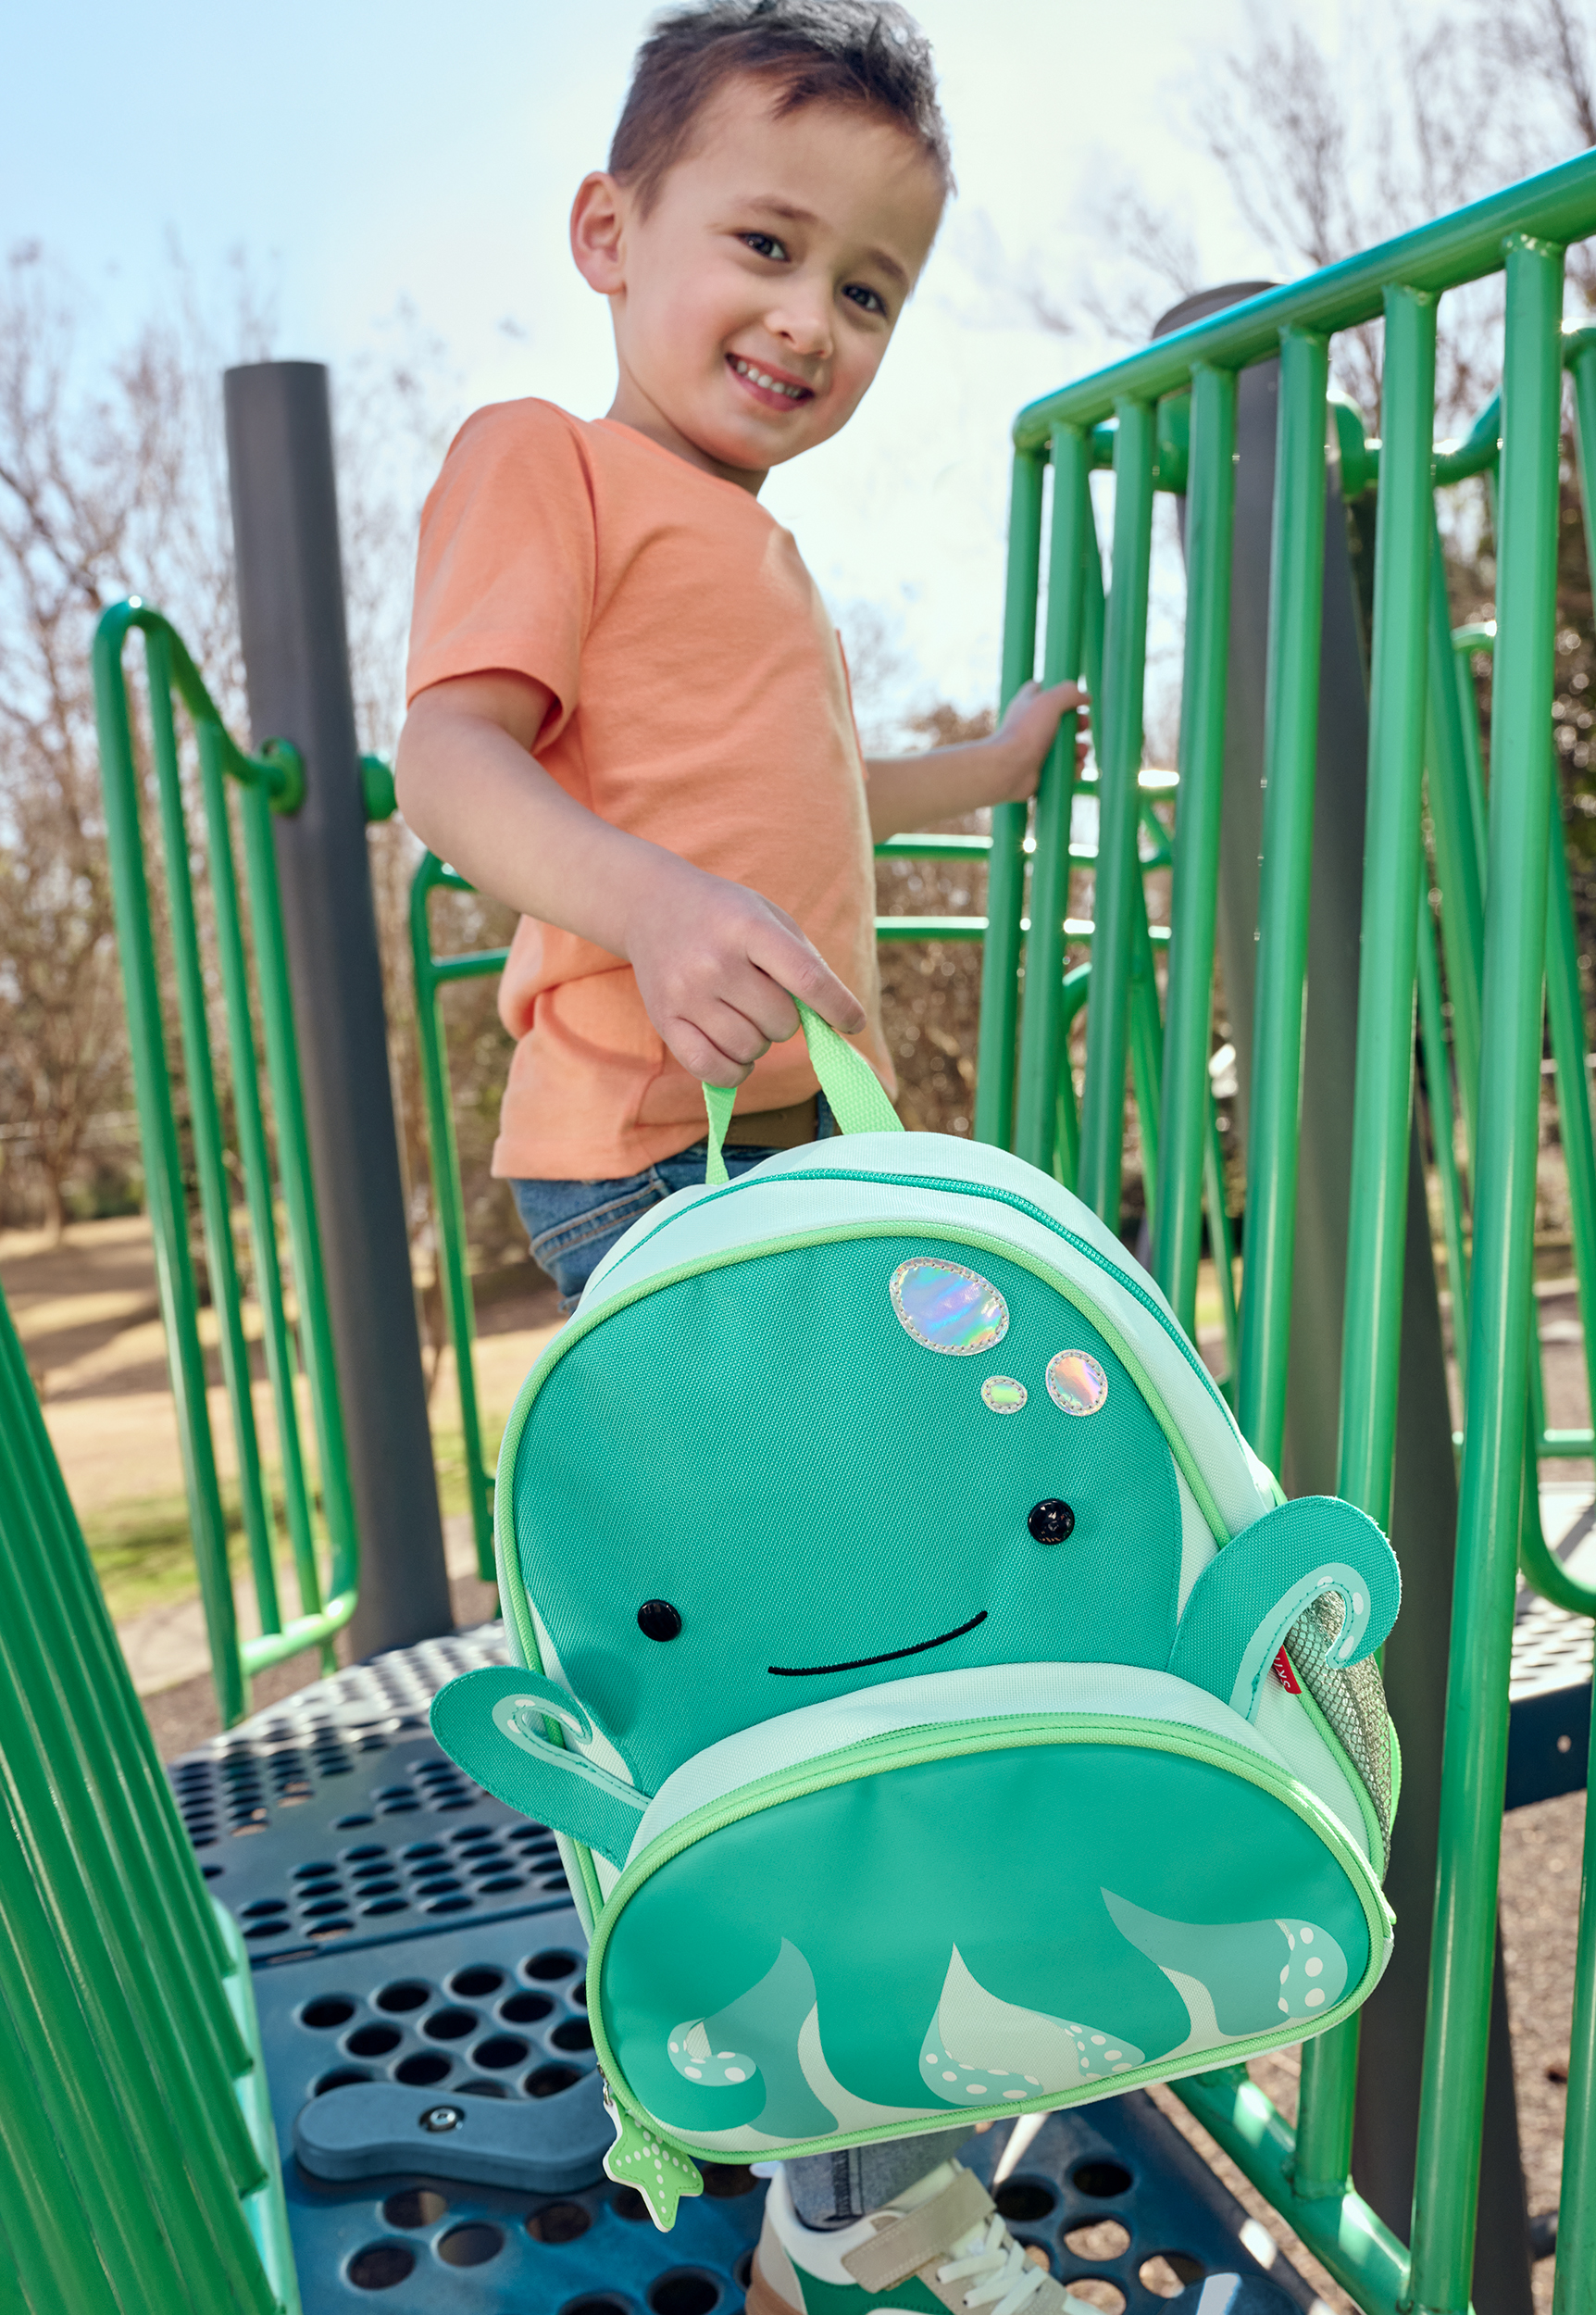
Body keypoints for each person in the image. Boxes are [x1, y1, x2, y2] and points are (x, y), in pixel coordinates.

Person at [396, 7, 1086, 2312]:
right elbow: (456, 767)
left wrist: (971, 772)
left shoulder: (758, 553)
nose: (812, 318)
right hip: (653, 1158)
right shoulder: (548, 466)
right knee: (824, 1674)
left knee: (887, 1649)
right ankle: (841, 2182)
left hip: (787, 1150)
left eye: (869, 286)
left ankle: (843, 2131)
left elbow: (794, 777)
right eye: (766, 245)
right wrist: (650, 905)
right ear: (611, 236)